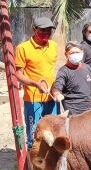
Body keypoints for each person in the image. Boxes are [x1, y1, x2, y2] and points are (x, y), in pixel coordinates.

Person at [14, 17, 59, 149]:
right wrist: (35, 84)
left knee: (53, 132)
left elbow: (52, 70)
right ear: (34, 29)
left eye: (49, 31)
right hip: (33, 100)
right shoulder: (23, 48)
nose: (46, 34)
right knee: (34, 135)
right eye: (42, 31)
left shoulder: (53, 46)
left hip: (51, 98)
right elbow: (18, 74)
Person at [52, 41, 91, 115]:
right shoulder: (63, 71)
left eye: (77, 52)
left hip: (88, 111)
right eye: (72, 53)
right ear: (66, 54)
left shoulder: (87, 68)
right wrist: (57, 94)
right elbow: (57, 88)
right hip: (73, 113)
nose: (75, 55)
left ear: (82, 52)